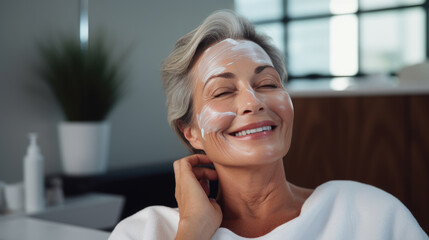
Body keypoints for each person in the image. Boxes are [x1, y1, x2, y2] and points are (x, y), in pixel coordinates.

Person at [109, 10, 428, 240]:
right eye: (222, 91)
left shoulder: (370, 215)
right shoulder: (147, 232)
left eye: (267, 84)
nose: (253, 102)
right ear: (189, 131)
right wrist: (193, 231)